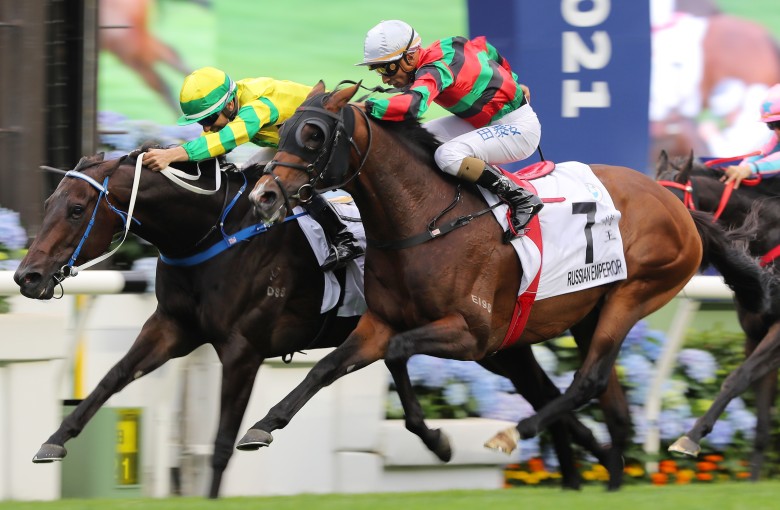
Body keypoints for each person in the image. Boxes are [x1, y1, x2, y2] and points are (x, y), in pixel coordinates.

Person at [143, 67, 363, 271]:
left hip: (332, 141)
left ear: (230, 105)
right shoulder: (228, 104)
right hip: (291, 147)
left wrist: (173, 154)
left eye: (209, 119)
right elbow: (209, 145)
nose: (207, 127)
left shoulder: (259, 105)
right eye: (201, 122)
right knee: (251, 178)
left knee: (281, 180)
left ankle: (344, 236)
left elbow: (227, 138)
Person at [353, 20, 543, 241]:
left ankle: (520, 197)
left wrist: (363, 107)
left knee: (448, 155)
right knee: (412, 139)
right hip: (484, 123)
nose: (385, 78)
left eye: (387, 68)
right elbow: (485, 47)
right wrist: (514, 80)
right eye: (378, 70)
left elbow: (412, 106)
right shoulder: (447, 45)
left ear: (410, 57)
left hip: (519, 130)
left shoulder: (435, 70)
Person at [722, 83, 780, 188]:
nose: (777, 131)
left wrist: (749, 169)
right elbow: (763, 152)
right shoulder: (776, 135)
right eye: (772, 125)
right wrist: (742, 167)